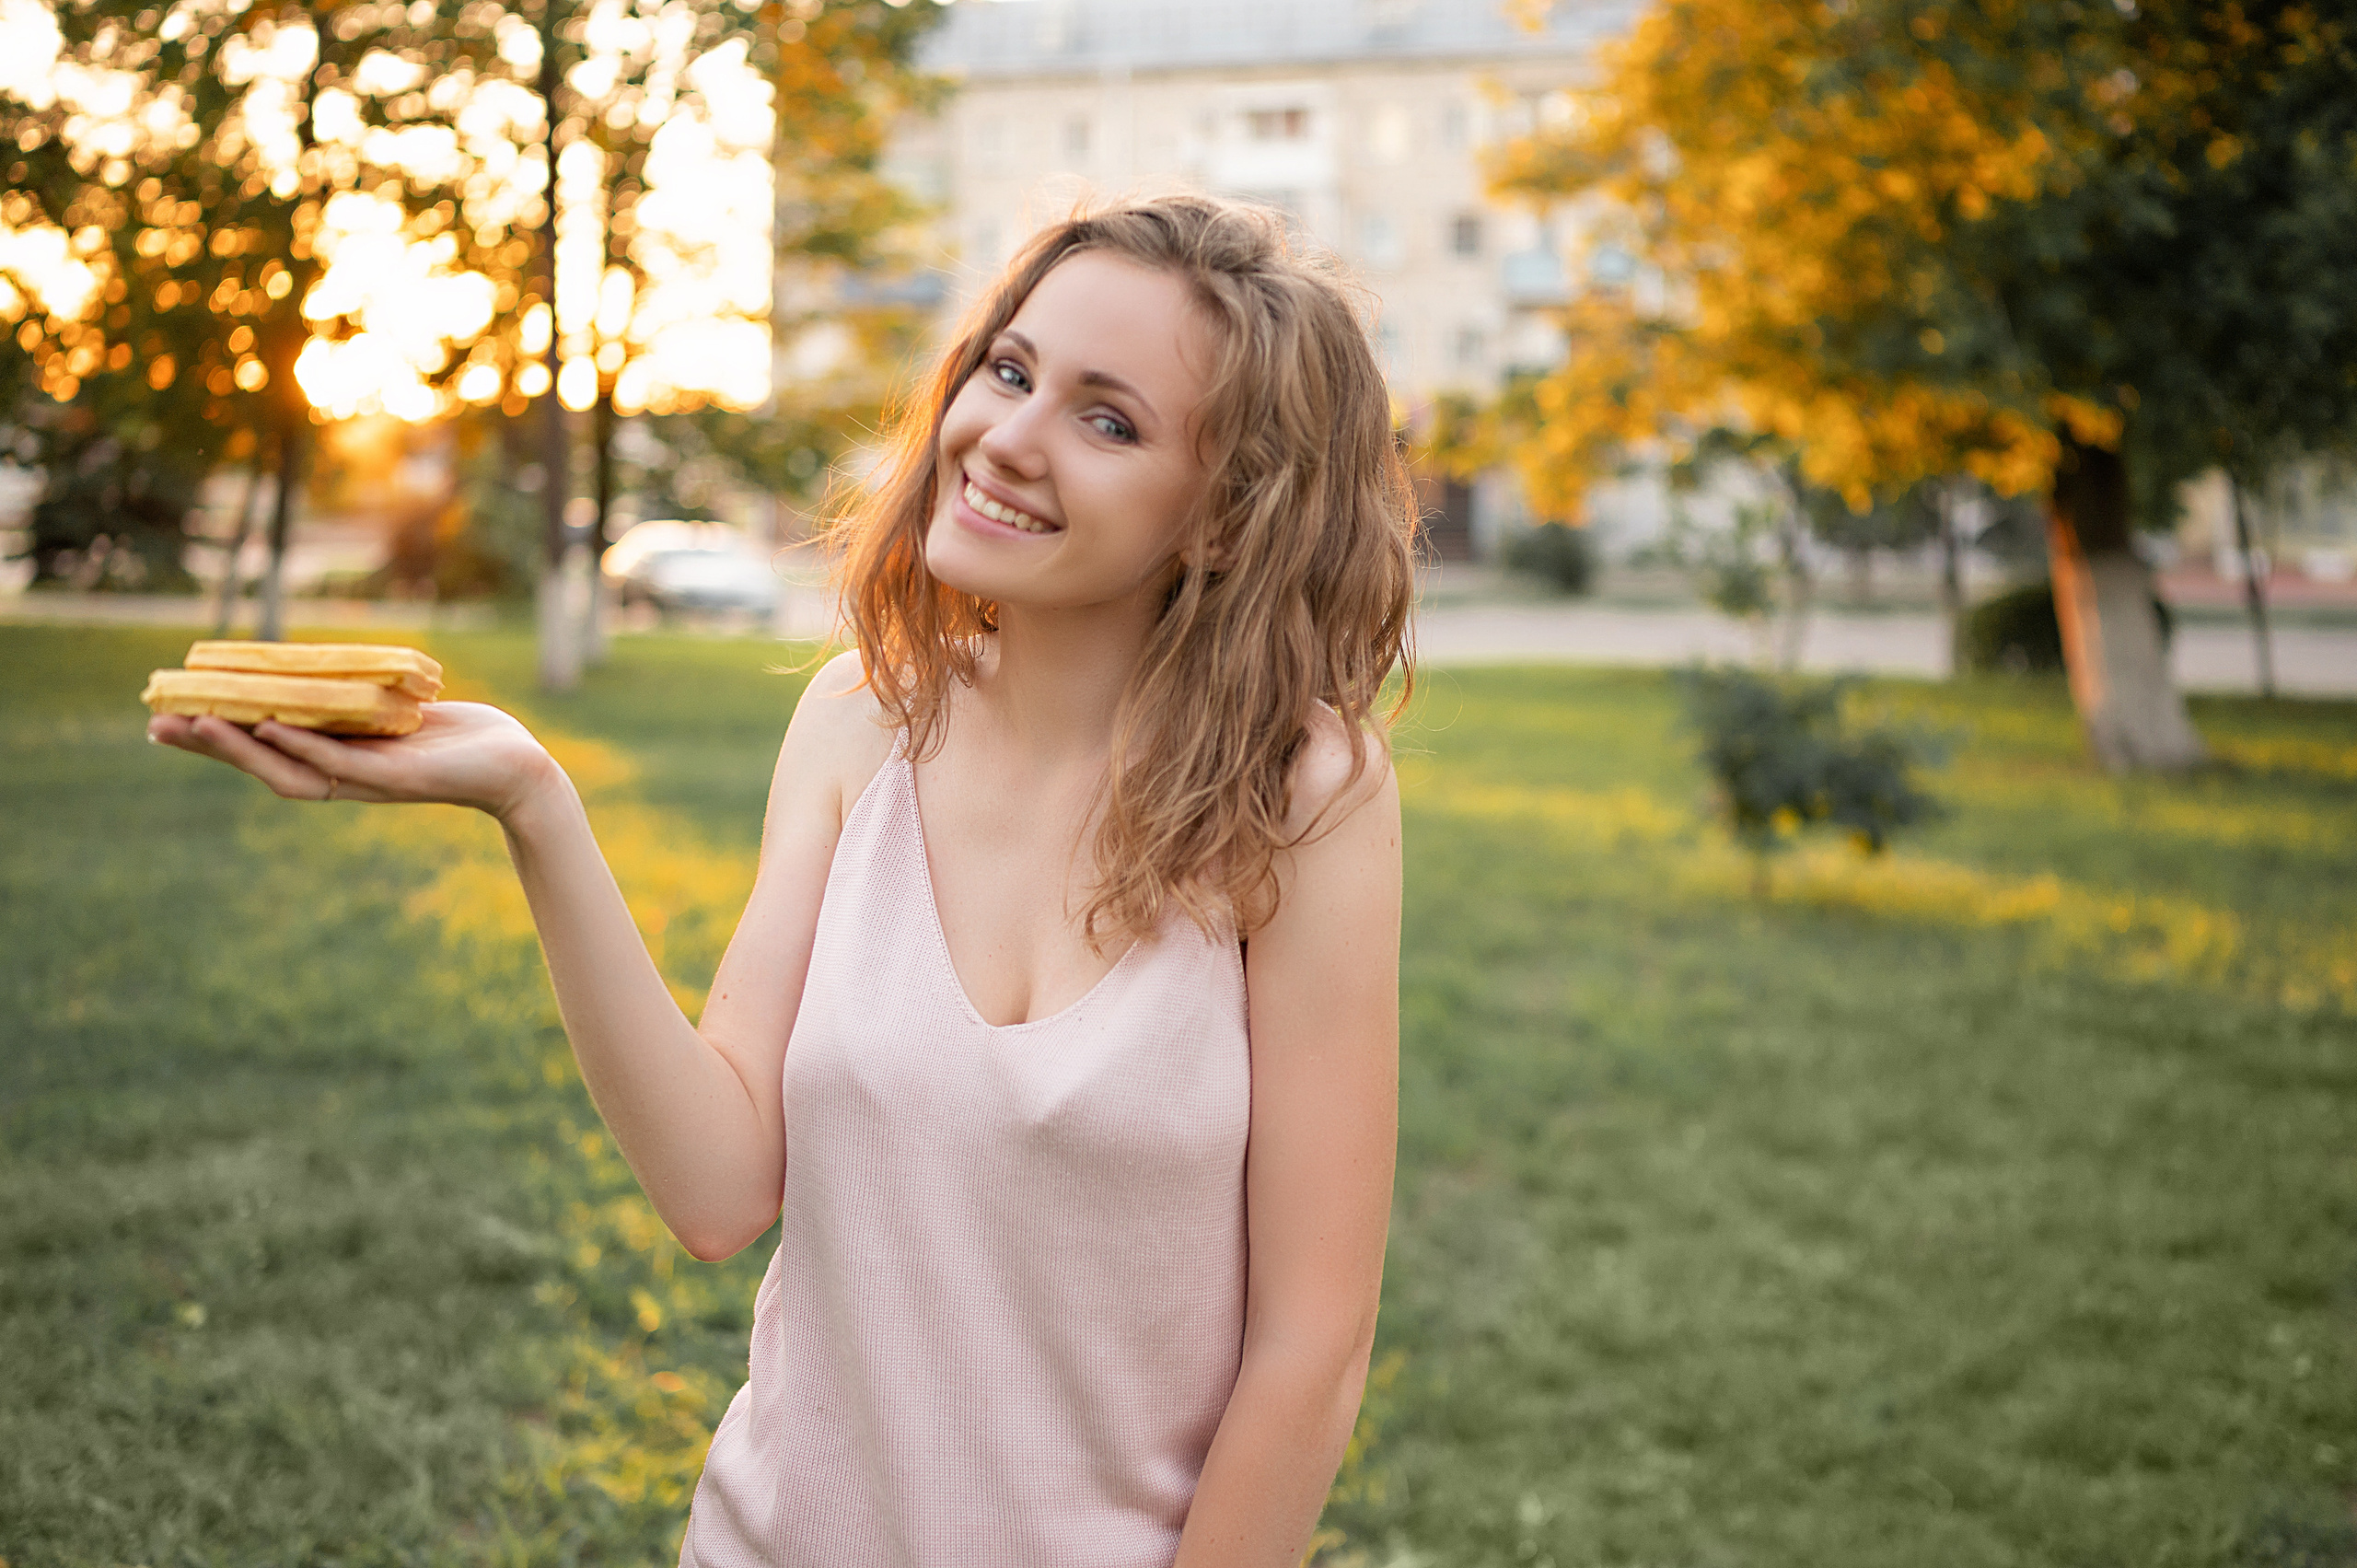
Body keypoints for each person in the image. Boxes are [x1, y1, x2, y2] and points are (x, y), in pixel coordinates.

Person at [149, 194, 1416, 1567]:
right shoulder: (860, 723)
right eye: (1009, 371)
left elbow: (1311, 1345)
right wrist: (534, 804)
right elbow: (716, 1187)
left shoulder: (1303, 798)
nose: (1007, 438)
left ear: (1226, 518)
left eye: (1108, 421)